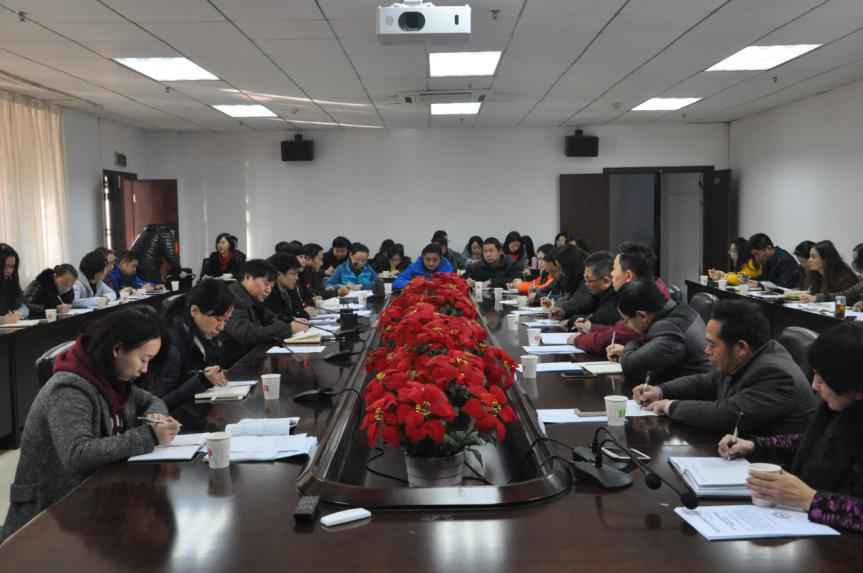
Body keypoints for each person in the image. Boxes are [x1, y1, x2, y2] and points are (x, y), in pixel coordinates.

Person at [0, 307, 178, 542]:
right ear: (117, 349)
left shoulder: (113, 378)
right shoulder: (69, 388)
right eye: (143, 359)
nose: (144, 369)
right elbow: (77, 454)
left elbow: (152, 400)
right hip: (49, 514)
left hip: (93, 498)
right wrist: (149, 436)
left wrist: (155, 416)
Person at [718, 322, 863, 533]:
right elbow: (810, 442)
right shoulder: (840, 407)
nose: (814, 385)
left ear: (856, 387)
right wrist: (754, 446)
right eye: (815, 374)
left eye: (824, 379)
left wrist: (809, 498)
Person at [635, 299, 816, 433]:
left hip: (770, 464)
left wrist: (670, 406)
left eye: (712, 344)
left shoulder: (775, 374)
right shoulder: (745, 357)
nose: (706, 350)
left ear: (741, 348)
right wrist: (660, 391)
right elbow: (705, 382)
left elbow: (727, 416)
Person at [571, 241, 670, 354]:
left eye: (614, 268)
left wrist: (577, 340)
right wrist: (592, 328)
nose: (612, 274)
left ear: (628, 276)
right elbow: (619, 329)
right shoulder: (652, 288)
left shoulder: (642, 298)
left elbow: (618, 336)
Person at [150, 280, 232, 411]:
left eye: (225, 320)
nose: (221, 327)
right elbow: (157, 405)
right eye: (218, 319)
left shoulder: (206, 335)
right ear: (194, 311)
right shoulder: (172, 347)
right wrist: (201, 381)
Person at [607, 280, 710, 383]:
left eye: (625, 321)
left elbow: (632, 368)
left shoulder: (670, 330)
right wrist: (630, 352)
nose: (626, 326)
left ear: (642, 316)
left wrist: (630, 348)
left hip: (695, 391)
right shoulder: (681, 309)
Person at [222, 259, 299, 367]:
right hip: (236, 364)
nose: (268, 290)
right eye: (265, 284)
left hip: (253, 359)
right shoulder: (232, 299)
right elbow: (246, 334)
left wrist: (292, 322)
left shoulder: (252, 297)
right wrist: (288, 328)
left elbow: (272, 318)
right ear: (247, 277)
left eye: (271, 286)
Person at [566, 251, 618, 344]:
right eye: (585, 279)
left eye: (589, 280)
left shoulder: (614, 301)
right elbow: (584, 308)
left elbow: (592, 321)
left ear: (606, 281)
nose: (586, 284)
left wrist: (571, 321)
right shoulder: (598, 295)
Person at [264, 253, 312, 328]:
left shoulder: (289, 288)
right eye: (293, 274)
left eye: (297, 274)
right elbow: (281, 316)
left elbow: (298, 307)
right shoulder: (268, 293)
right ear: (278, 275)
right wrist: (302, 314)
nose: (297, 278)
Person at [545, 246, 594, 320]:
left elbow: (570, 306)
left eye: (560, 268)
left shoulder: (585, 282)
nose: (560, 272)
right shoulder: (573, 281)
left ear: (569, 268)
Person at [0, 243, 29, 323]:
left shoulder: (10, 283)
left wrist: (17, 314)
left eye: (12, 267)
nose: (9, 271)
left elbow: (24, 307)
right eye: (5, 266)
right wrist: (4, 320)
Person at [299, 243, 327, 308]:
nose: (322, 263)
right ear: (309, 259)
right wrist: (336, 292)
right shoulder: (302, 273)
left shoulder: (314, 272)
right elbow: (311, 293)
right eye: (320, 259)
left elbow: (316, 291)